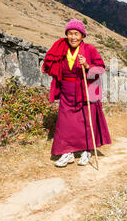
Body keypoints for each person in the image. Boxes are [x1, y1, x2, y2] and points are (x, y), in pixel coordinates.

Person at [41, 19, 111, 167]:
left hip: (85, 88)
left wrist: (86, 65)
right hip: (67, 89)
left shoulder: (90, 49)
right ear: (66, 35)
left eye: (76, 34)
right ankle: (67, 152)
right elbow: (51, 64)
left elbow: (100, 69)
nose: (73, 37)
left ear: (82, 36)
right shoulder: (61, 48)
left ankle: (87, 150)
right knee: (66, 122)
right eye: (70, 34)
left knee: (86, 120)